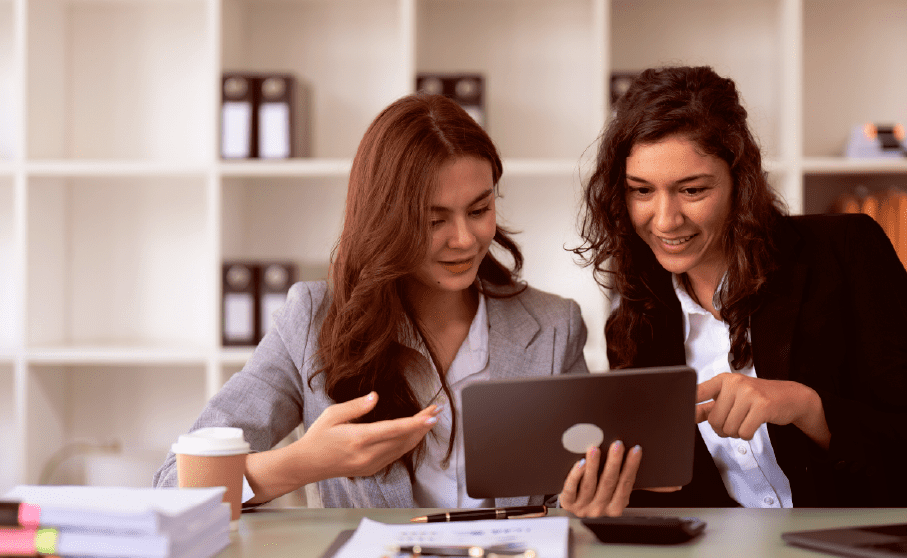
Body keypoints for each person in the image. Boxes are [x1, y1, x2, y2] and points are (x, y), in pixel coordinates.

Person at [154, 93, 613, 512]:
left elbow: (568, 493)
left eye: (479, 210)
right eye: (434, 220)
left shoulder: (555, 325)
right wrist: (306, 463)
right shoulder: (312, 320)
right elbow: (177, 484)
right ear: (384, 220)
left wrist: (584, 499)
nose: (465, 239)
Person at [570, 65, 907, 510]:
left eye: (692, 190)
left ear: (739, 181)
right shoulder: (637, 320)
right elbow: (674, 501)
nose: (665, 220)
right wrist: (614, 496)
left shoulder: (847, 250)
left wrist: (808, 408)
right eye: (641, 191)